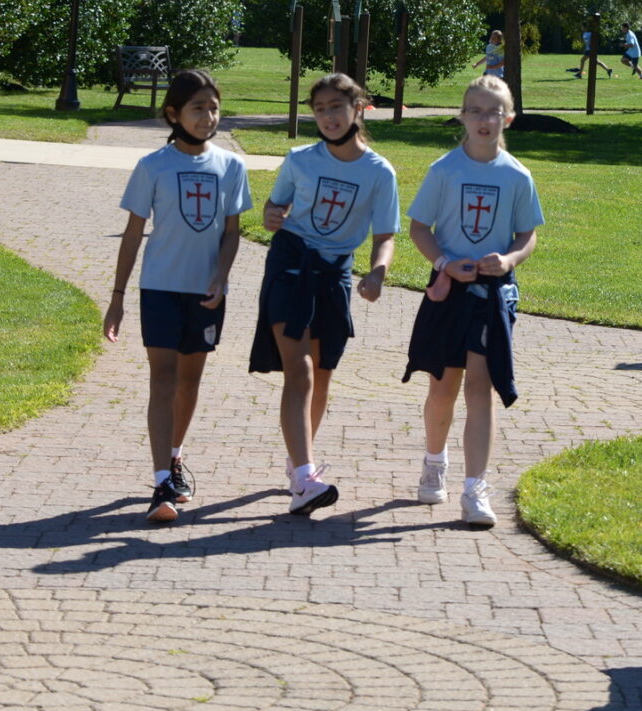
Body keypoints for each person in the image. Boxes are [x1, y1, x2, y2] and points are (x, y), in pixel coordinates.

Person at [104, 69, 251, 524]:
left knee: (190, 381)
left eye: (213, 107)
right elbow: (132, 234)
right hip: (160, 287)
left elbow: (232, 232)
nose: (208, 116)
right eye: (197, 108)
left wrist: (221, 276)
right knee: (162, 380)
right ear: (174, 114)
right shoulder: (153, 166)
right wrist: (117, 296)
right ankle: (161, 481)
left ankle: (175, 458)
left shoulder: (231, 166)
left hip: (205, 292)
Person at [250, 73, 400, 516]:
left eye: (337, 107)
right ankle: (304, 478)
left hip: (334, 274)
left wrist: (377, 272)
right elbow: (272, 210)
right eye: (320, 110)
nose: (328, 117)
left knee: (322, 378)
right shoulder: (299, 159)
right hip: (290, 264)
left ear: (358, 109)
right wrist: (271, 216)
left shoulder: (379, 172)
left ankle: (301, 465)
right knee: (301, 372)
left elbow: (386, 236)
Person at [403, 76, 545, 528]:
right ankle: (434, 461)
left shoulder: (517, 175)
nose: (485, 120)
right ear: (461, 116)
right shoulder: (443, 170)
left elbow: (528, 235)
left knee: (479, 388)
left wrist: (509, 259)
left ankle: (474, 489)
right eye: (476, 111)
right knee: (443, 386)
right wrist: (445, 262)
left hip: (491, 296)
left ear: (509, 118)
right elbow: (420, 228)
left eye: (494, 112)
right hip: (449, 290)